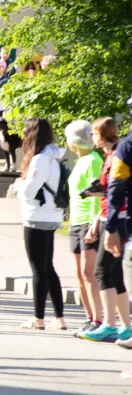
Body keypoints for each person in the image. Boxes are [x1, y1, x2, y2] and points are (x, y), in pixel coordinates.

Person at [80, 117, 132, 343]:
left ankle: (110, 324)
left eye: (93, 133)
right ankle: (125, 325)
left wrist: (105, 222)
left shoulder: (117, 154)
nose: (92, 137)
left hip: (117, 219)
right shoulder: (113, 154)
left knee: (103, 270)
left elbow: (117, 191)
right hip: (112, 217)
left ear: (100, 136)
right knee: (115, 272)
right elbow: (110, 190)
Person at [14, 118, 67, 330]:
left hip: (36, 215)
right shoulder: (55, 157)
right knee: (48, 267)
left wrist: (19, 185)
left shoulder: (39, 160)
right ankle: (59, 317)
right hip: (52, 215)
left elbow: (29, 192)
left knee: (38, 269)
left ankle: (38, 318)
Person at [63, 120, 103, 334]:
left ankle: (99, 319)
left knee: (89, 273)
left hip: (88, 221)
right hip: (76, 221)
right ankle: (89, 317)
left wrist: (93, 224)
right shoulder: (80, 160)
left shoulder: (93, 160)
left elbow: (97, 194)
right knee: (80, 274)